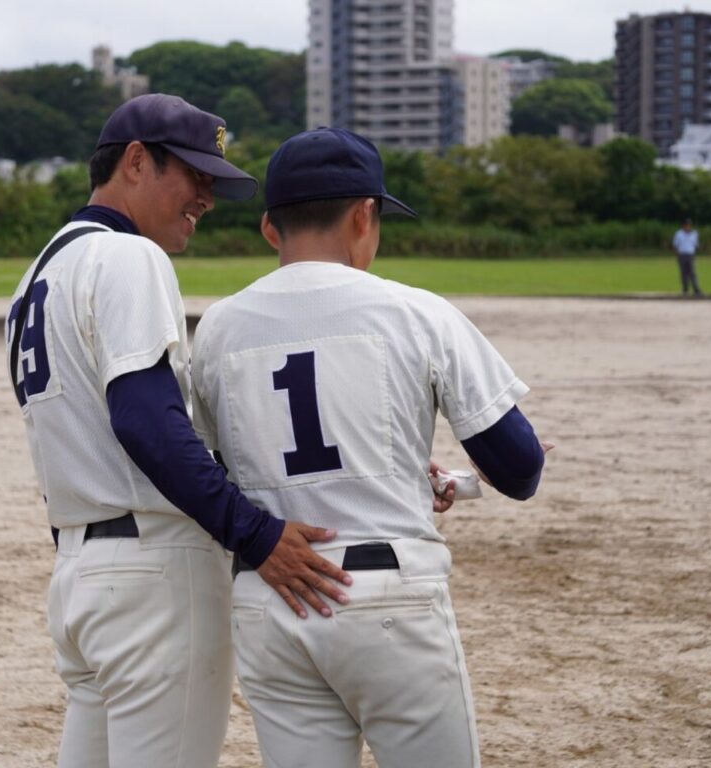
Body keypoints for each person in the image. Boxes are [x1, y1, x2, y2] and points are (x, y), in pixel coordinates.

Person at [4, 95, 368, 768]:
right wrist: (255, 534)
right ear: (137, 161)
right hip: (153, 577)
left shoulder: (38, 275)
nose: (205, 196)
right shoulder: (127, 258)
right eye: (194, 176)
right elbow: (145, 421)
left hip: (81, 577)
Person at [190, 127, 552, 768]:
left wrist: (401, 471)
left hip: (271, 595)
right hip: (389, 595)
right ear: (364, 216)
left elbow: (219, 465)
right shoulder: (415, 310)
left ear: (271, 229)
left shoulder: (219, 325)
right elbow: (519, 468)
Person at [672, 218, 702, 297]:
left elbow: (696, 245)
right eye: (686, 225)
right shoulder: (678, 234)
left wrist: (694, 254)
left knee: (692, 273)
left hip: (690, 255)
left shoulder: (694, 234)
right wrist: (678, 255)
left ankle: (696, 290)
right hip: (682, 254)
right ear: (683, 226)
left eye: (689, 225)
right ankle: (685, 290)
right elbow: (675, 245)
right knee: (683, 274)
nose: (688, 226)